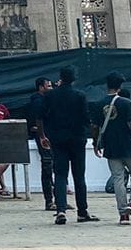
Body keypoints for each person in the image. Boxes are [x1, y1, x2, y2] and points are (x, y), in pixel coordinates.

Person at [40, 65, 98, 226]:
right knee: (79, 176)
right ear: (73, 79)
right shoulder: (79, 96)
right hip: (77, 138)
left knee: (60, 174)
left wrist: (42, 136)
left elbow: (41, 116)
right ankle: (82, 212)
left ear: (61, 77)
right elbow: (87, 119)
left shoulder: (50, 95)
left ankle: (60, 210)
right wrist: (95, 139)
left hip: (57, 139)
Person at [93, 72, 131, 225]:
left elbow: (95, 126)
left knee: (118, 178)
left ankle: (123, 214)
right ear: (120, 86)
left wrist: (95, 143)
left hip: (110, 146)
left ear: (107, 85)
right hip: (128, 145)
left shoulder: (98, 104)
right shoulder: (126, 103)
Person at [24, 78, 54, 211]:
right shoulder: (38, 102)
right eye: (49, 86)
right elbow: (38, 120)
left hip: (47, 135)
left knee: (53, 165)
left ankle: (57, 199)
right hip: (44, 136)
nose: (51, 88)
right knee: (47, 165)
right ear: (41, 87)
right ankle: (49, 200)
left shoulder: (46, 100)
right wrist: (42, 135)